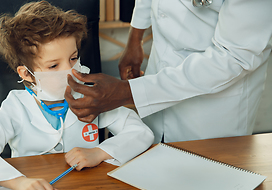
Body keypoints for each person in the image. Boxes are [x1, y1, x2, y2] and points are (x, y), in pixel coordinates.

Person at [0, 1, 154, 190]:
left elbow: (141, 132)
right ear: (26, 74)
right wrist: (18, 183)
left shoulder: (92, 97)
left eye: (73, 58)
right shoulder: (15, 107)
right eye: (54, 65)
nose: (70, 71)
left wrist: (100, 152)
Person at [65, 0, 272, 144]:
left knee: (207, 185)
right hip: (160, 62)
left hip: (213, 104)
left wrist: (130, 92)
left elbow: (233, 57)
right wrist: (135, 35)